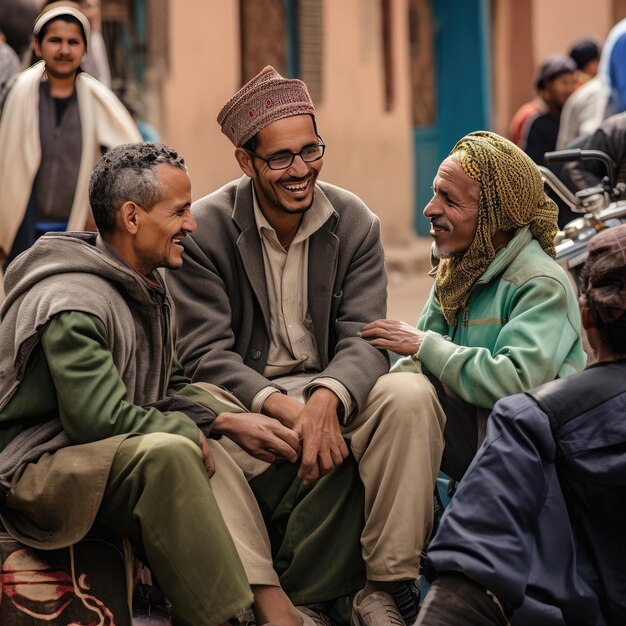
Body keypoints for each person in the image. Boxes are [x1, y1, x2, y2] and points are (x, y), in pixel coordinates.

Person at [166, 65, 435, 626]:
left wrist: (325, 400)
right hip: (247, 403)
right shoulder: (207, 230)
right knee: (192, 441)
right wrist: (283, 406)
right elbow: (205, 354)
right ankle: (269, 602)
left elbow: (365, 336)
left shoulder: (355, 221)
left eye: (311, 151)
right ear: (246, 161)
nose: (300, 171)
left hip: (332, 394)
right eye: (280, 158)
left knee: (410, 396)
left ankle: (384, 587)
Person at [0, 143, 255, 626]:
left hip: (86, 452)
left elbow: (170, 381)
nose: (192, 224)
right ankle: (228, 616)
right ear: (133, 217)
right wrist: (188, 431)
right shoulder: (74, 302)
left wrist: (229, 419)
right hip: (32, 469)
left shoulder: (141, 283)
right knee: (168, 455)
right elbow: (97, 419)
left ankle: (310, 597)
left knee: (250, 438)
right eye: (179, 211)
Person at [414, 223, 626, 626]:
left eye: (450, 199)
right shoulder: (451, 275)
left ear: (585, 316)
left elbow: (466, 585)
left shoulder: (530, 421)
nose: (432, 210)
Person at [361, 131, 585, 485]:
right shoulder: (459, 271)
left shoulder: (540, 284)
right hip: (476, 441)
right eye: (435, 192)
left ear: (495, 217)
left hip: (524, 458)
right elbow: (416, 365)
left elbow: (516, 382)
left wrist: (422, 345)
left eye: (449, 199)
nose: (430, 209)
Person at [0, 3, 141, 280]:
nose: (64, 50)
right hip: (21, 228)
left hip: (76, 231)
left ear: (84, 50)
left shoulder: (99, 100)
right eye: (55, 41)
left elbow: (132, 161)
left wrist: (102, 211)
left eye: (73, 42)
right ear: (38, 47)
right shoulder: (14, 94)